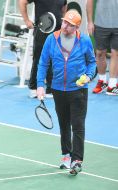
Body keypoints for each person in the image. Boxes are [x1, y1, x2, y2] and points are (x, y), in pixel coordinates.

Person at [36, 10, 96, 175]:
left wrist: (88, 76)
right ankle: (65, 155)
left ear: (76, 27)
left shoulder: (83, 40)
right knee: (64, 124)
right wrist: (40, 84)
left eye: (70, 25)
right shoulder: (52, 39)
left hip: (78, 90)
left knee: (77, 125)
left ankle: (77, 160)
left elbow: (92, 63)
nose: (65, 26)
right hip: (58, 89)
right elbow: (43, 63)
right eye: (64, 22)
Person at [18, 0, 67, 98]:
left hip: (57, 32)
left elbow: (64, 6)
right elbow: (22, 2)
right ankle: (33, 88)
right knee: (39, 59)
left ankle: (51, 89)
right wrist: (26, 20)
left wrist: (64, 23)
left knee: (55, 59)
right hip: (42, 31)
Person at [87, 0, 118, 95]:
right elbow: (90, 1)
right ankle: (102, 81)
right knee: (100, 54)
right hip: (100, 24)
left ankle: (112, 85)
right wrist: (90, 22)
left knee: (115, 53)